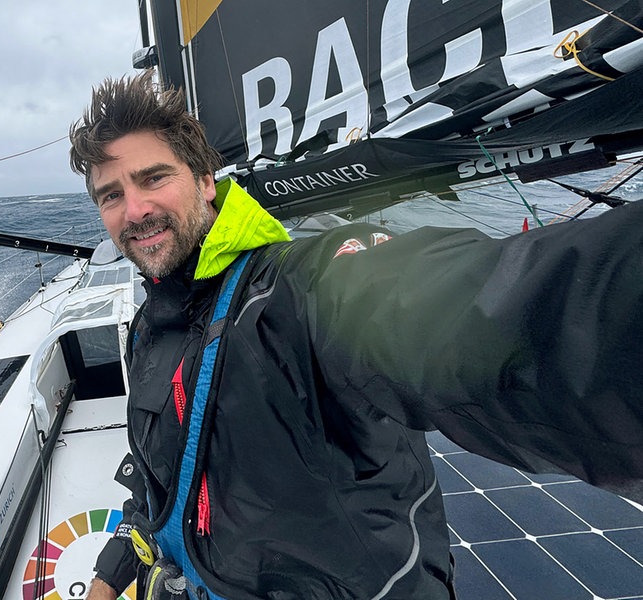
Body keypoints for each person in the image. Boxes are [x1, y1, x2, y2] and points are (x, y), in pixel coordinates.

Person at [68, 70, 643, 600]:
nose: (135, 209)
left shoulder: (299, 289)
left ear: (205, 182)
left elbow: (484, 310)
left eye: (153, 178)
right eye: (111, 195)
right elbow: (156, 478)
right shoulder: (149, 326)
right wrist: (109, 573)